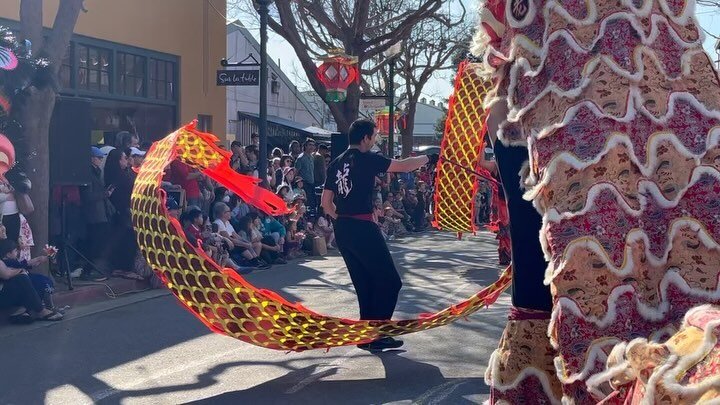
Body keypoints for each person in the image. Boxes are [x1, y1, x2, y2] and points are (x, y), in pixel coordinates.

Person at [321, 118, 437, 352]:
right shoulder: (368, 158)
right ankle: (379, 333)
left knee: (365, 283)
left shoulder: (336, 163)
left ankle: (367, 335)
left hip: (343, 229)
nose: (374, 142)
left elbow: (326, 203)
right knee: (390, 281)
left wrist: (343, 220)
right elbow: (404, 166)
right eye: (374, 137)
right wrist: (430, 158)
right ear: (365, 138)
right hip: (363, 227)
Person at [294, 138, 317, 208]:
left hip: (311, 184)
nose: (311, 147)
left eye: (313, 145)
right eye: (310, 145)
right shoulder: (301, 158)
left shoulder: (312, 157)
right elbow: (296, 172)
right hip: (304, 184)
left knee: (312, 203)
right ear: (305, 146)